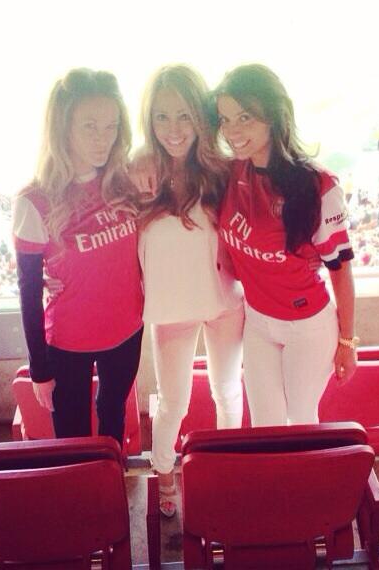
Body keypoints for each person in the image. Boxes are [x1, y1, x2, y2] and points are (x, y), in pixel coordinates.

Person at [214, 64, 357, 428]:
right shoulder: (230, 172)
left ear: (274, 115)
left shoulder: (318, 186)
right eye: (225, 119)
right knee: (265, 426)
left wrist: (347, 342)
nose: (232, 131)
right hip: (258, 322)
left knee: (301, 420)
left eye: (244, 118)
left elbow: (341, 270)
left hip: (307, 327)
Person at [12, 68, 144, 447]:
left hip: (127, 332)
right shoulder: (34, 200)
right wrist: (39, 369)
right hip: (67, 344)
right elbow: (28, 292)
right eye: (90, 126)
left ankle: (112, 480)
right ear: (63, 127)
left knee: (113, 420)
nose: (103, 138)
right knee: (72, 441)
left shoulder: (126, 180)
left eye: (111, 126)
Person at [135, 65, 244, 516]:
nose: (174, 129)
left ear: (200, 116)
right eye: (162, 116)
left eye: (184, 115)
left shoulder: (223, 171)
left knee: (227, 391)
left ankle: (227, 472)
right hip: (170, 309)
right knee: (173, 402)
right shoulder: (138, 173)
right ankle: (165, 476)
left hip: (225, 302)